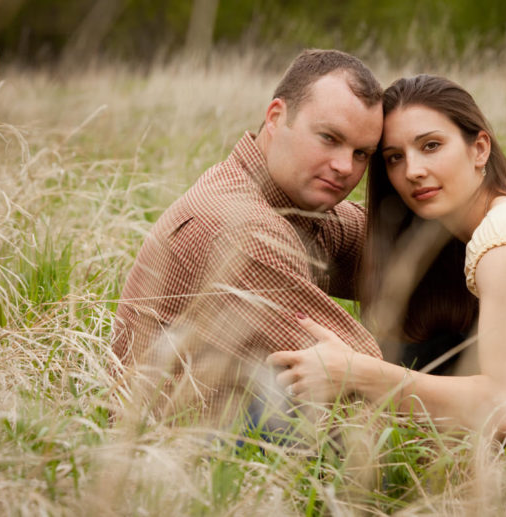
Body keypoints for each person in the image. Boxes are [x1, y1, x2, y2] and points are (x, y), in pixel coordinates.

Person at [268, 75, 506, 455]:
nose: (413, 171)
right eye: (394, 158)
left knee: (290, 419)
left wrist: (359, 372)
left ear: (480, 149)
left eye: (432, 145)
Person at [112, 49, 385, 421]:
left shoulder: (291, 203)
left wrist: (489, 239)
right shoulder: (245, 231)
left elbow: (409, 254)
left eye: (361, 154)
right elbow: (377, 392)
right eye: (328, 138)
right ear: (276, 117)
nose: (344, 167)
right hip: (176, 460)